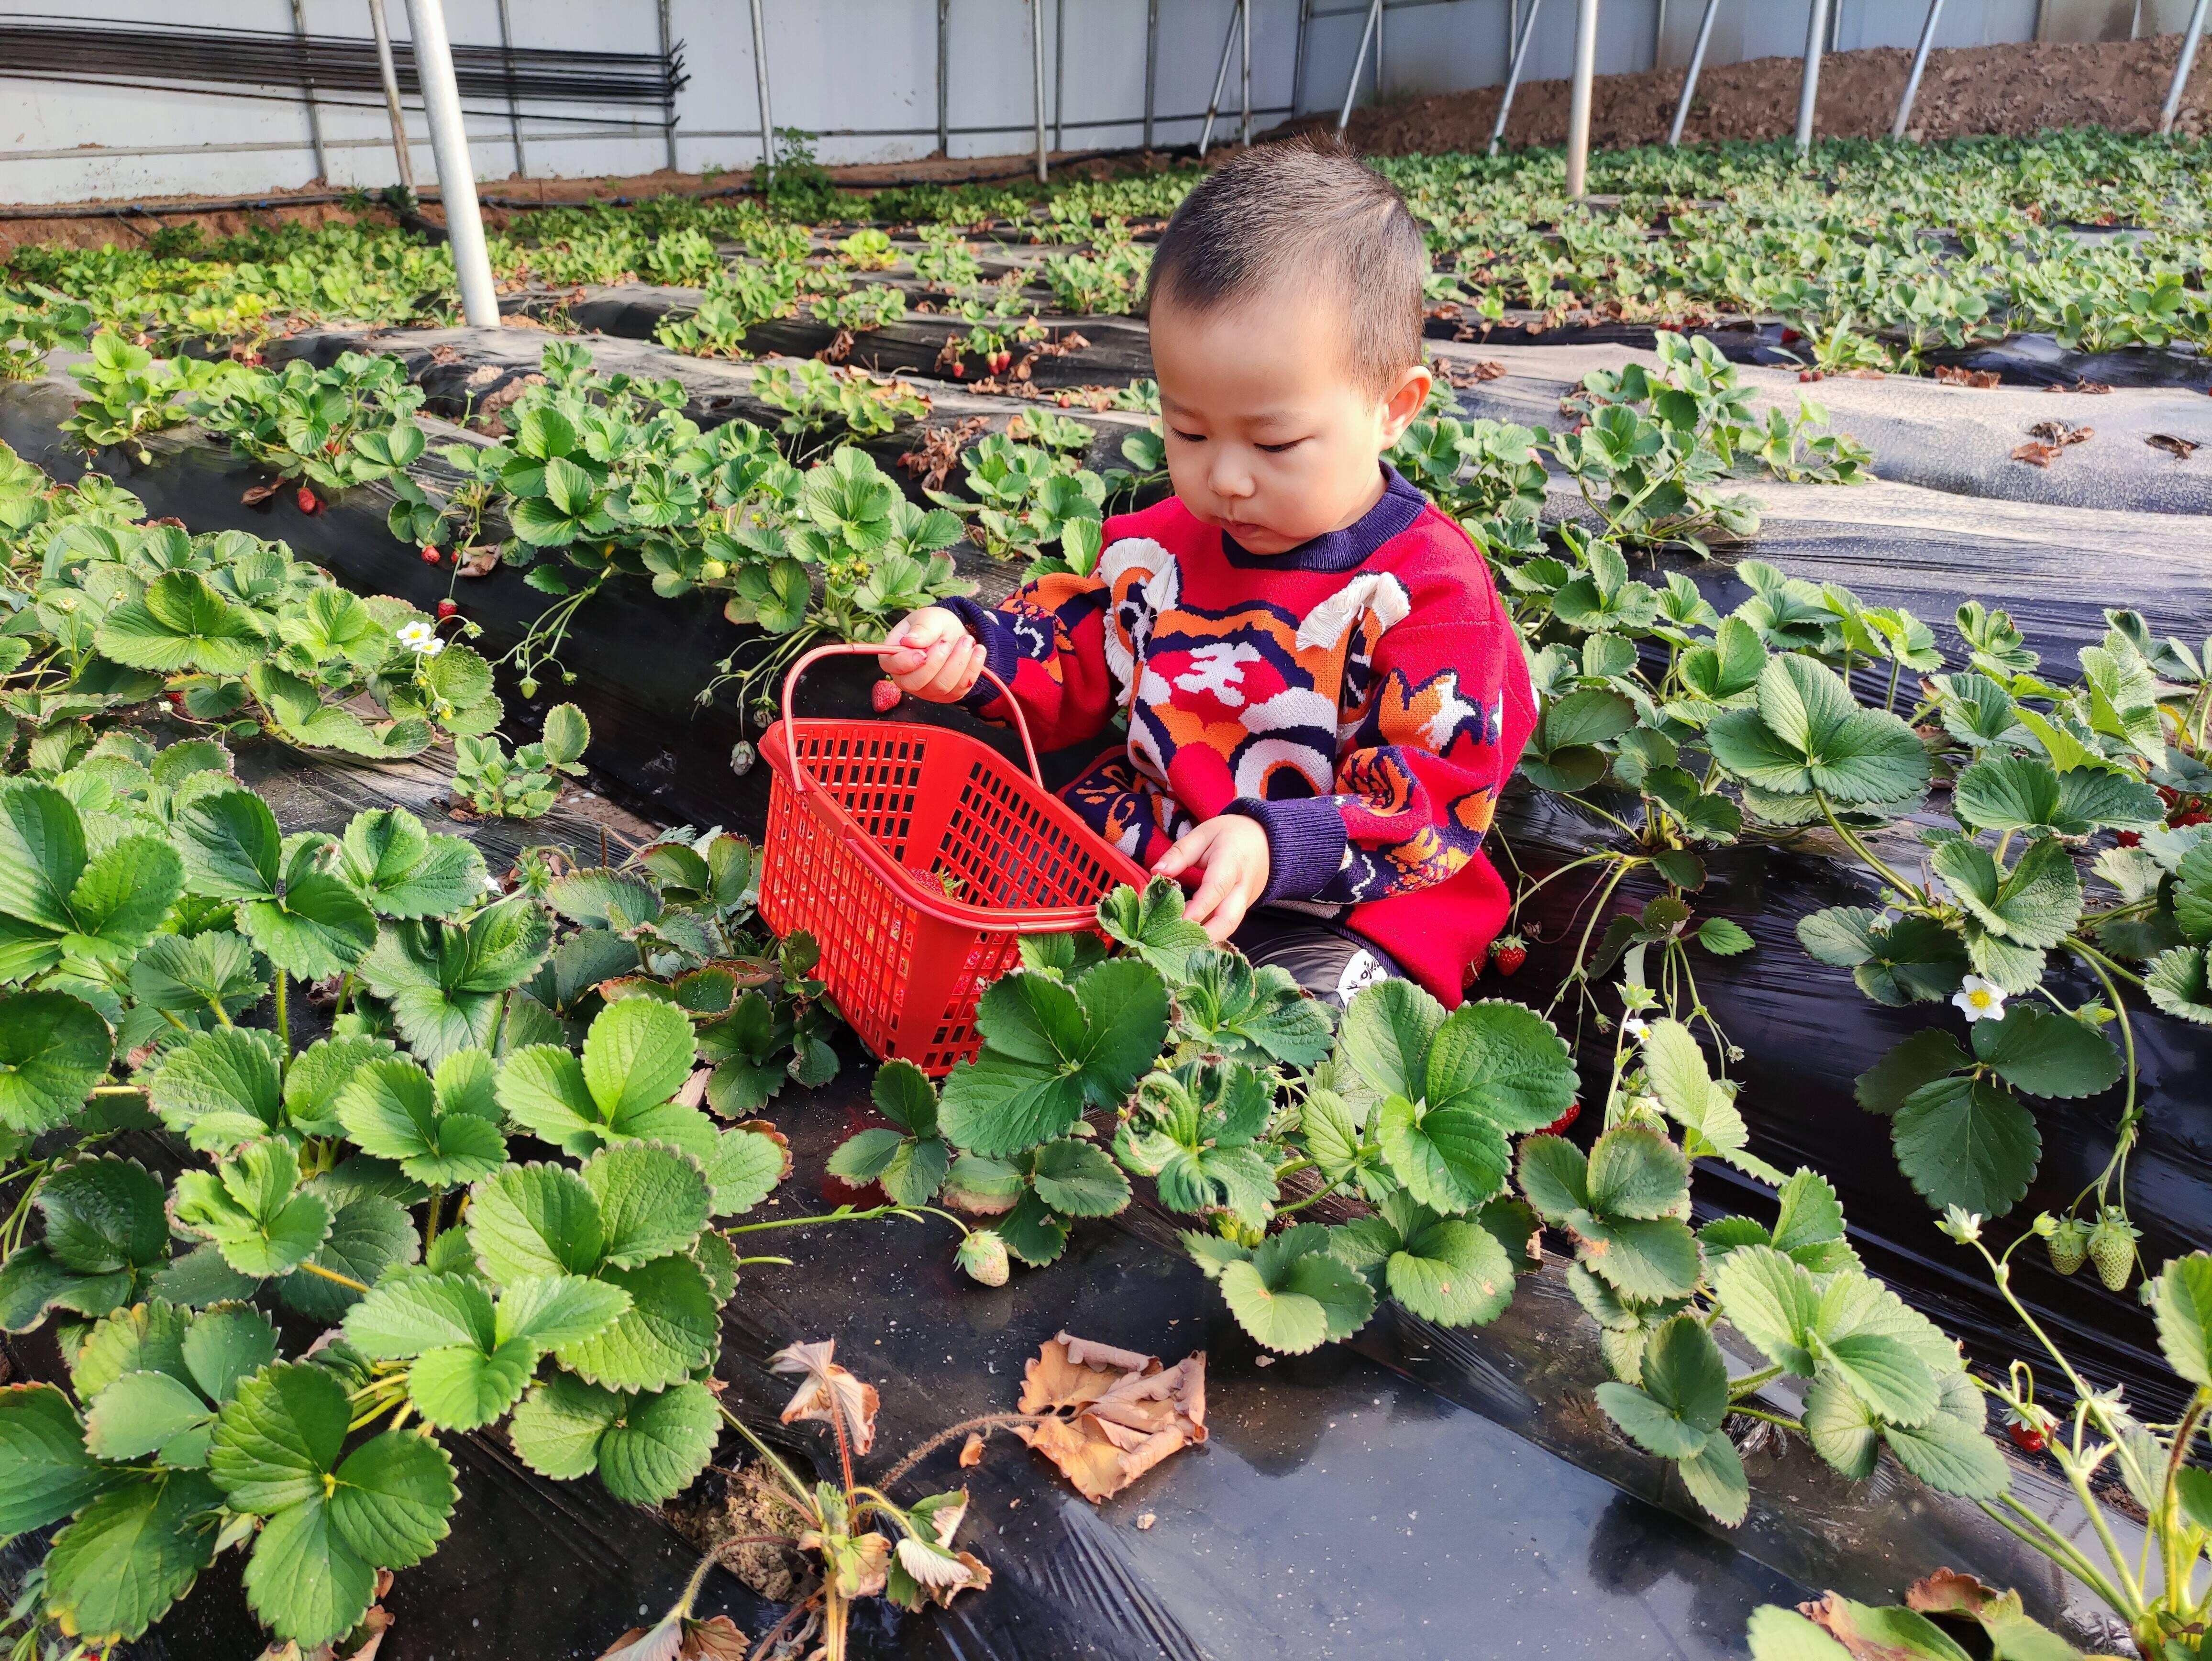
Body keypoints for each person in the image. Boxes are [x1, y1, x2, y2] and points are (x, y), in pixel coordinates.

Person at [881, 133, 1535, 1009]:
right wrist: (977, 648)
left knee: (1318, 1014)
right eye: (1187, 431)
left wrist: (1276, 843)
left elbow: (1433, 797)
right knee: (979, 877)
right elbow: (1077, 646)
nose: (1224, 477)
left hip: (1335, 906)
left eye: (1273, 442)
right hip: (1153, 861)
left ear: (1394, 409)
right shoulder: (1158, 549)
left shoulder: (1432, 594)